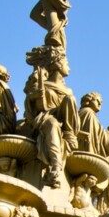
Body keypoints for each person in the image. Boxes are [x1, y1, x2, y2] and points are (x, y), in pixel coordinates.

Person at [20, 46, 77, 188]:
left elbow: (67, 111)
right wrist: (34, 97)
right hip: (43, 121)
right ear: (58, 64)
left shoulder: (67, 91)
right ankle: (55, 168)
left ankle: (70, 135)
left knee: (70, 99)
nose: (69, 67)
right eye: (66, 63)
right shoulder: (42, 85)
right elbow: (29, 108)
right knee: (52, 123)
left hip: (62, 124)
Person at [72, 92, 109, 210]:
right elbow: (99, 135)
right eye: (98, 100)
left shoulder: (85, 113)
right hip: (86, 150)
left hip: (83, 149)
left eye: (101, 102)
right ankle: (104, 203)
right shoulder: (88, 113)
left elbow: (99, 133)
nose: (100, 104)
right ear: (89, 100)